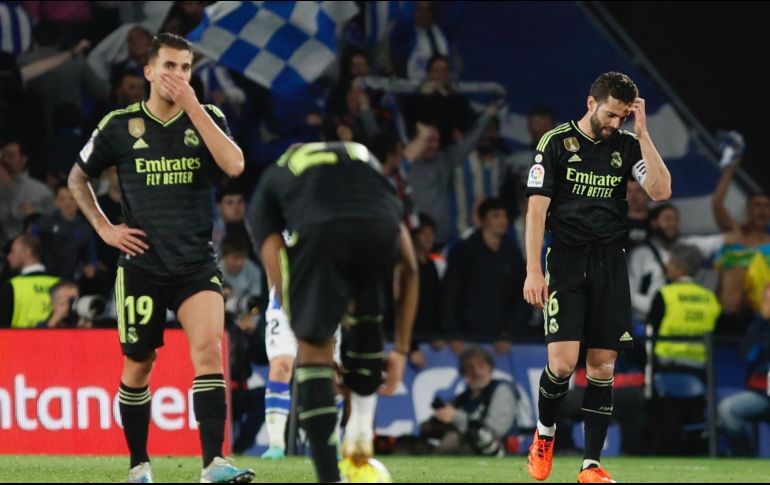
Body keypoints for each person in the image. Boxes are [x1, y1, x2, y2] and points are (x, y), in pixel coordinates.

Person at [67, 33, 253, 484]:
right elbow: (78, 178)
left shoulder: (207, 116)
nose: (178, 76)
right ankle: (139, 465)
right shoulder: (118, 124)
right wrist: (106, 230)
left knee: (209, 352)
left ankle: (213, 464)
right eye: (169, 66)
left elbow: (235, 166)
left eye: (186, 68)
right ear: (148, 71)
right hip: (143, 266)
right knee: (139, 363)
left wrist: (192, 105)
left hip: (195, 264)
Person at [523, 72, 671, 483]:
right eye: (610, 114)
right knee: (564, 363)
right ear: (591, 103)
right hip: (567, 260)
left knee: (603, 367)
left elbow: (660, 191)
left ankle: (590, 465)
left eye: (622, 117)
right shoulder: (555, 142)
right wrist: (534, 270)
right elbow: (535, 213)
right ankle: (545, 434)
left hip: (611, 262)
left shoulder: (626, 144)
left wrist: (642, 132)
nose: (614, 123)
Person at [249, 140, 418, 483]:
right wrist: (400, 348)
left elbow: (272, 253)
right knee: (367, 315)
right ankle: (360, 435)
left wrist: (302, 321)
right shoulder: (366, 162)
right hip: (376, 222)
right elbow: (410, 267)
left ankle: (330, 477)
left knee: (314, 351)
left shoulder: (273, 180)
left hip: (318, 228)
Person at [420, 346, 516, 455]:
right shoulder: (463, 397)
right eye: (470, 368)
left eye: (481, 366)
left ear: (490, 369)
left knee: (453, 440)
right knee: (413, 444)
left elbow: (496, 428)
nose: (476, 372)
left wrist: (455, 417)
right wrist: (436, 422)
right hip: (467, 445)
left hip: (496, 448)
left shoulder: (500, 390)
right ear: (463, 373)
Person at [0, 234, 59, 328]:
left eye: (13, 251)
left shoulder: (12, 286)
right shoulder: (61, 285)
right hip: (53, 342)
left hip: (19, 342)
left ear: (26, 252)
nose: (9, 257)